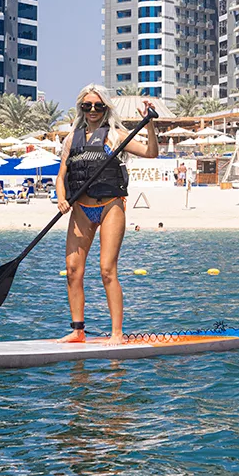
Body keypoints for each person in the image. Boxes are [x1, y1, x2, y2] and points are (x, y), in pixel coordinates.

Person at [55, 85, 158, 345]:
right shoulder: (71, 139)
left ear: (106, 108)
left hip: (111, 205)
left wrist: (149, 125)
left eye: (98, 106)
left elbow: (151, 152)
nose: (92, 111)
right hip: (80, 209)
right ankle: (78, 331)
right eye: (87, 106)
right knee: (72, 270)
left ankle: (116, 333)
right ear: (80, 108)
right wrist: (61, 198)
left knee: (106, 270)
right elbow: (61, 176)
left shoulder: (116, 135)